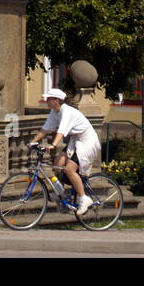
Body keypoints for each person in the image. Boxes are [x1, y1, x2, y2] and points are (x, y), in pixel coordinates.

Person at [34, 87, 102, 216]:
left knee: (69, 169)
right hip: (76, 141)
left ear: (56, 100)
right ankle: (63, 195)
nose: (46, 100)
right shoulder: (55, 112)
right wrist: (33, 142)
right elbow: (45, 129)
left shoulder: (67, 112)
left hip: (87, 142)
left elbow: (61, 131)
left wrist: (53, 144)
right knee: (57, 164)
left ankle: (84, 198)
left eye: (48, 99)